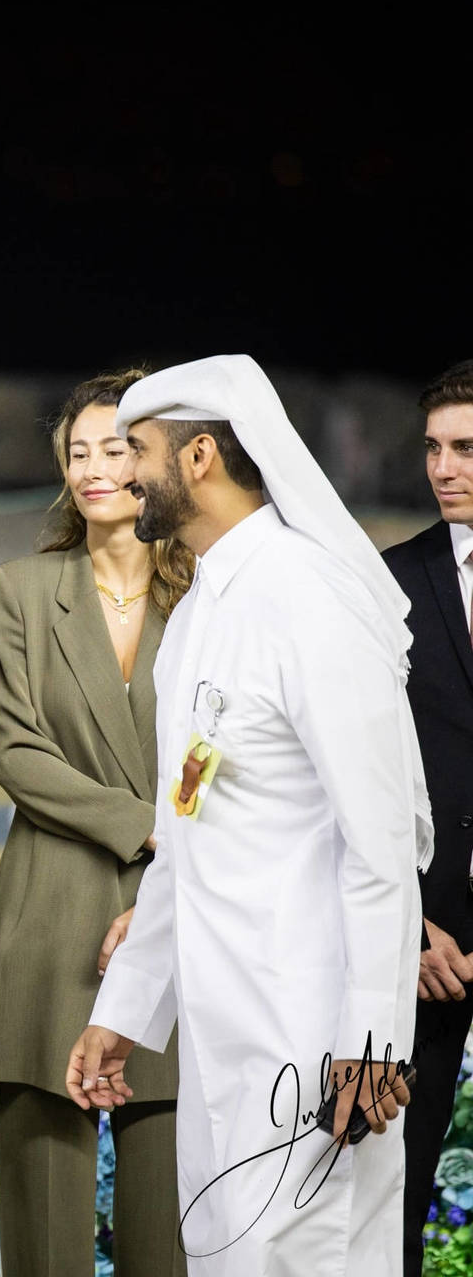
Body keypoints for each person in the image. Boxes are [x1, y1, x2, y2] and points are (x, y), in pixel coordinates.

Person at [66, 355, 428, 1276]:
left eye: (134, 450)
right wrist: (123, 1011)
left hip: (318, 1030)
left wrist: (372, 1039)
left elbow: (380, 839)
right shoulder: (199, 613)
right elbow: (187, 836)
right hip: (224, 1029)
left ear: (197, 458)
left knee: (309, 1260)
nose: (121, 472)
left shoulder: (309, 599)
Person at [0, 369, 193, 1276]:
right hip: (51, 910)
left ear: (159, 460)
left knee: (168, 1217)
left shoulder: (211, 596)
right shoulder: (20, 590)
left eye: (117, 448)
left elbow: (226, 748)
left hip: (182, 907)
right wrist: (147, 826)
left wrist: (177, 849)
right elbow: (18, 754)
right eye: (77, 452)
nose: (96, 469)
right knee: (44, 1229)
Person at [383, 359, 473, 1276]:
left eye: (467, 449)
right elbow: (358, 777)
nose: (444, 468)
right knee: (394, 1188)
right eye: (434, 450)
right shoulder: (389, 582)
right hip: (424, 944)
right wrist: (405, 923)